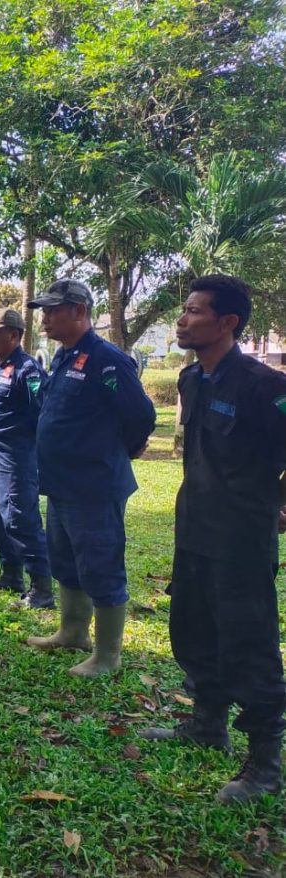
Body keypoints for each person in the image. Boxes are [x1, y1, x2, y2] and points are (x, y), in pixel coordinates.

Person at [138, 275, 286, 803]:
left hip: (242, 539)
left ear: (228, 323)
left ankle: (266, 765)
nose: (182, 319)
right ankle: (207, 725)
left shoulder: (265, 386)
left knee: (249, 644)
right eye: (184, 309)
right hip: (195, 527)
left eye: (196, 311)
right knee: (194, 630)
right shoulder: (190, 379)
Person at [25, 279, 155, 677]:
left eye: (52, 310)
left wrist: (121, 450)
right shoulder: (65, 356)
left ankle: (107, 655)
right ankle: (73, 631)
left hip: (94, 485)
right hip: (62, 483)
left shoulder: (106, 358)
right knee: (64, 558)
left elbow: (141, 415)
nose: (44, 318)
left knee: (100, 563)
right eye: (43, 311)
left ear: (79, 311)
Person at [0, 308, 53, 608]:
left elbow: (42, 411)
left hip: (13, 460)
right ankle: (10, 574)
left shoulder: (28, 370)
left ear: (15, 336)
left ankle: (41, 589)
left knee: (20, 521)